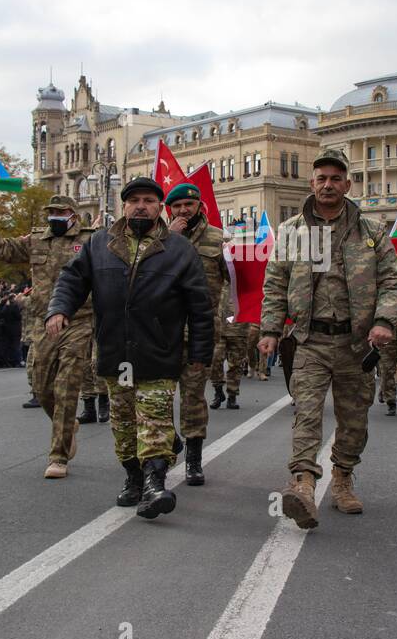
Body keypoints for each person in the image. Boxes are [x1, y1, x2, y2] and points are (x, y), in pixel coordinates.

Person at [46, 177, 213, 518]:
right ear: (123, 205)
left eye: (149, 200)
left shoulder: (179, 250)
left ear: (158, 207)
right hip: (114, 353)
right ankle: (133, 478)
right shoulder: (99, 245)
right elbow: (72, 279)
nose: (141, 205)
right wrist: (60, 309)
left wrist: (199, 354)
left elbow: (200, 307)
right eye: (134, 199)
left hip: (159, 352)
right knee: (123, 424)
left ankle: (154, 485)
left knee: (153, 419)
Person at [258, 148, 397, 529]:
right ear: (312, 183)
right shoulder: (292, 231)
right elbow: (275, 283)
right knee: (306, 414)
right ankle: (303, 483)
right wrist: (271, 330)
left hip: (356, 345)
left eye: (335, 178)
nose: (328, 184)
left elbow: (392, 280)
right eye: (321, 178)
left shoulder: (370, 232)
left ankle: (342, 477)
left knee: (354, 420)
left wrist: (385, 320)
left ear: (347, 184)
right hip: (310, 340)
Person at [0, 194, 93, 475]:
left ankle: (58, 456)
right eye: (51, 212)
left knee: (67, 385)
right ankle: (67, 425)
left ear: (72, 214)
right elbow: (2, 250)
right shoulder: (37, 239)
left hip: (79, 320)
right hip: (43, 321)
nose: (54, 217)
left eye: (60, 212)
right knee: (41, 385)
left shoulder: (89, 240)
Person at [164, 181, 229, 485]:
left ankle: (193, 459)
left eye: (188, 205)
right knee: (158, 397)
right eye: (176, 206)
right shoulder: (158, 237)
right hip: (162, 330)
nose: (182, 210)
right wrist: (170, 238)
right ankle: (167, 445)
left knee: (192, 396)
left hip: (201, 328)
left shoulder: (219, 239)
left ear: (199, 206)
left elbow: (238, 281)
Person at [210, 289, 248, 410]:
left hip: (239, 329)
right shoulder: (220, 279)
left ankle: (232, 396)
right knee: (215, 359)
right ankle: (218, 391)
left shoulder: (244, 280)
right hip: (219, 329)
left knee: (236, 365)